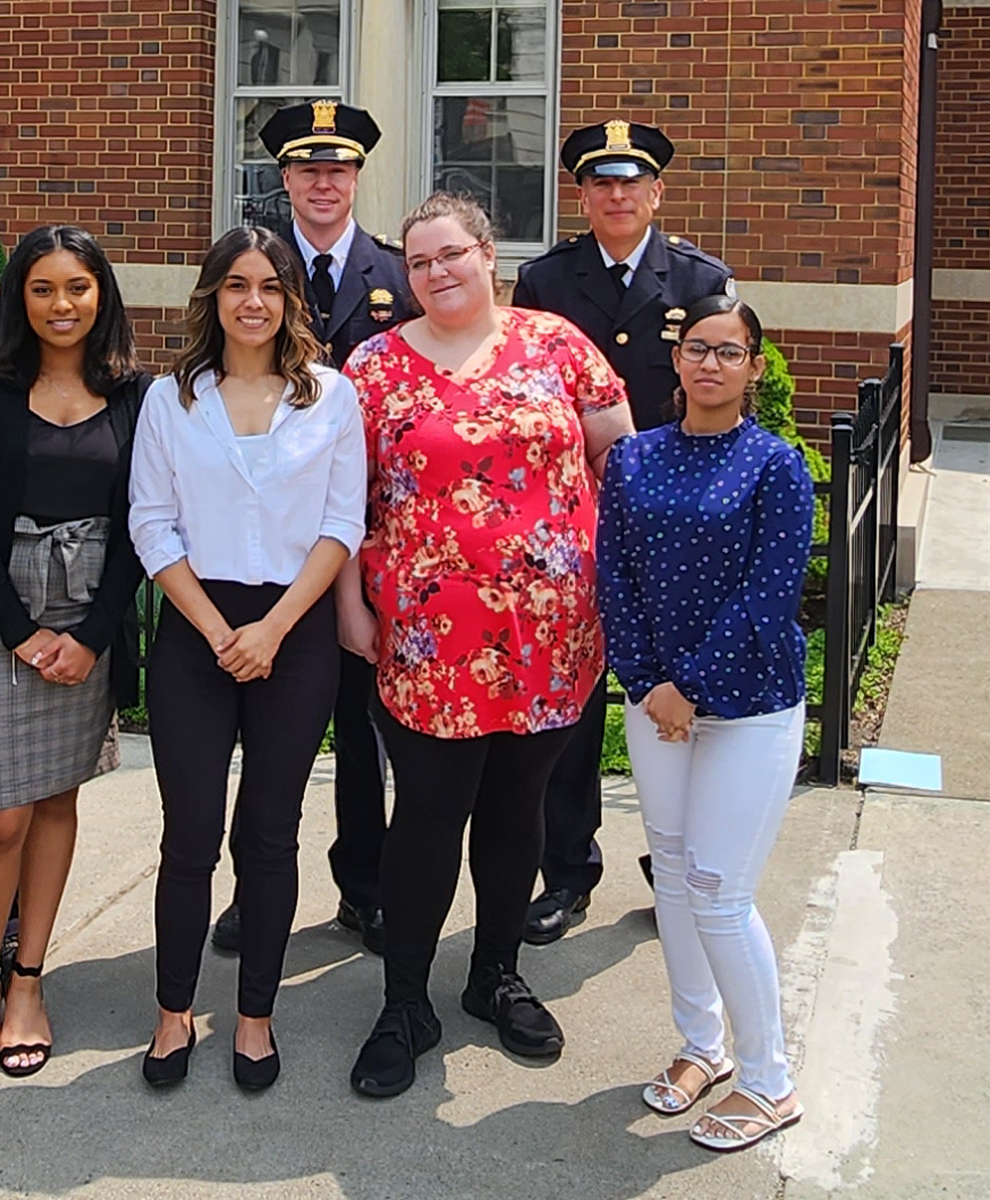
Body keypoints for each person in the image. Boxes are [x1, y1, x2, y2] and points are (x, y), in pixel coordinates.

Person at [340, 193, 634, 1099]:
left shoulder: (558, 346)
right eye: (419, 262)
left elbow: (619, 471)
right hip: (428, 642)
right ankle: (404, 1003)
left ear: (488, 254)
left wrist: (622, 596)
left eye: (451, 254)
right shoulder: (372, 368)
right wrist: (352, 605)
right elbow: (340, 504)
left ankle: (493, 975)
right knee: (426, 815)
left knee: (518, 812)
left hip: (551, 634)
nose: (436, 273)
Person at [131, 226, 366, 1092]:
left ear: (291, 300)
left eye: (271, 285)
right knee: (189, 837)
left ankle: (255, 1016)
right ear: (213, 297)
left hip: (293, 634)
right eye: (236, 284)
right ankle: (171, 1011)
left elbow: (344, 523)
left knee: (268, 834)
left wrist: (271, 630)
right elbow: (150, 523)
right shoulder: (172, 399)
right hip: (197, 629)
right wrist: (215, 626)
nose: (254, 301)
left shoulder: (333, 400)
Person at [0, 225, 148, 1080]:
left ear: (102, 296)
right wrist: (21, 631)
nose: (62, 305)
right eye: (43, 288)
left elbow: (141, 526)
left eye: (78, 288)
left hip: (89, 610)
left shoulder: (133, 392)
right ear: (18, 296)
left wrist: (89, 636)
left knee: (54, 803)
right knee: (0, 812)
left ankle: (28, 981)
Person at [513, 119, 736, 945]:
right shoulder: (545, 280)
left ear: (656, 193)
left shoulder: (701, 277)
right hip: (576, 522)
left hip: (677, 527)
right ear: (581, 194)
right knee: (573, 702)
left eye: (631, 182)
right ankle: (567, 872)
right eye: (601, 184)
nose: (616, 196)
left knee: (676, 694)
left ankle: (673, 865)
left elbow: (727, 390)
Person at [202, 101, 416, 959]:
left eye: (339, 169)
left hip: (361, 543)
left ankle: (362, 889)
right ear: (283, 179)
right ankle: (254, 893)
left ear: (357, 178)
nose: (324, 183)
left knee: (362, 739)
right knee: (258, 745)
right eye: (307, 169)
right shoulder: (251, 267)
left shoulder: (396, 278)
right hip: (265, 552)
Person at [598, 294, 812, 1151]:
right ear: (677, 362)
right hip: (656, 705)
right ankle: (703, 1046)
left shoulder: (776, 465)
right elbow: (613, 574)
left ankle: (770, 1081)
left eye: (729, 352)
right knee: (677, 876)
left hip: (747, 707)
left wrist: (688, 686)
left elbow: (769, 595)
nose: (710, 364)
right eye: (697, 349)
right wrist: (649, 682)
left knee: (722, 893)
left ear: (753, 367)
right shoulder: (635, 460)